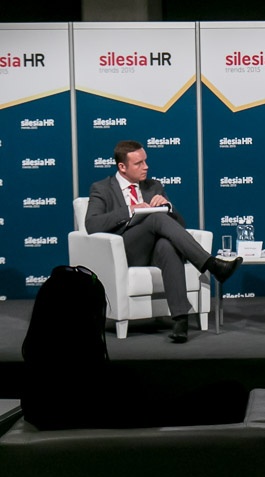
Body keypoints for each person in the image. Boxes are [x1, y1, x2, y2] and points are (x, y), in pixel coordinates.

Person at [21, 265, 249, 430]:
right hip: (162, 450)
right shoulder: (117, 385)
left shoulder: (34, 396)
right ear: (90, 322)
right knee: (233, 392)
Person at [85, 140, 243, 343]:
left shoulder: (154, 186)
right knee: (155, 218)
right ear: (122, 167)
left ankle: (180, 321)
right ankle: (212, 265)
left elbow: (179, 226)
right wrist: (130, 210)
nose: (146, 167)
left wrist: (168, 207)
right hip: (124, 251)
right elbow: (92, 224)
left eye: (145, 161)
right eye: (138, 163)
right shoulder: (102, 188)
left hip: (153, 251)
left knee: (168, 246)